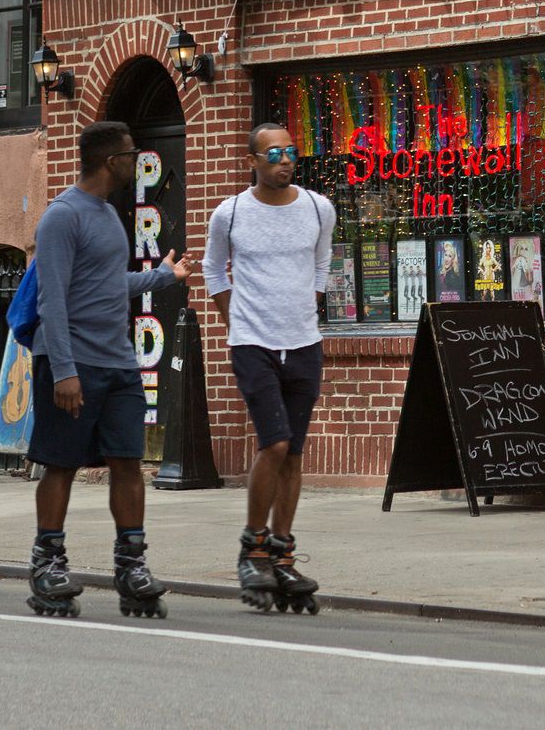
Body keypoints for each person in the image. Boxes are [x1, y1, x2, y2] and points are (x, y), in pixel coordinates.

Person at [24, 120, 195, 619]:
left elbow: (103, 285)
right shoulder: (62, 216)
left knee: (127, 461)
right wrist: (63, 370)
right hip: (73, 361)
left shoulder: (107, 214)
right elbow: (51, 298)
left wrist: (162, 277)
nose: (136, 160)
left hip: (120, 361)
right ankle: (48, 561)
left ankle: (131, 564)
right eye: (130, 153)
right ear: (110, 161)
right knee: (61, 464)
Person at [203, 122, 333, 615]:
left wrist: (308, 306)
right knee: (273, 442)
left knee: (294, 453)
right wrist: (234, 319)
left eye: (291, 152)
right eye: (273, 153)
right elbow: (215, 270)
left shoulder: (319, 209)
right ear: (252, 161)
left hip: (304, 342)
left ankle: (282, 552)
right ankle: (253, 546)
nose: (285, 160)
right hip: (252, 344)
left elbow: (322, 265)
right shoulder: (230, 213)